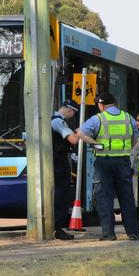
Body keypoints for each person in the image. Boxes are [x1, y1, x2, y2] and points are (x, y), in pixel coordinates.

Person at [76, 92, 139, 241]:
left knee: (105, 198)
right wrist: (125, 150)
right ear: (114, 103)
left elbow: (81, 133)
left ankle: (109, 234)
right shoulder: (128, 118)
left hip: (104, 162)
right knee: (127, 197)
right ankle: (133, 232)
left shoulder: (98, 118)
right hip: (123, 161)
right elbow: (135, 138)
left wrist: (94, 144)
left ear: (101, 104)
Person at [51, 99, 80, 240]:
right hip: (59, 163)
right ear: (70, 110)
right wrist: (80, 132)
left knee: (60, 195)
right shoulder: (58, 122)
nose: (73, 116)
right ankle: (57, 228)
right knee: (61, 195)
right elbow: (73, 140)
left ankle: (56, 227)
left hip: (56, 162)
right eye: (74, 113)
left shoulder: (52, 119)